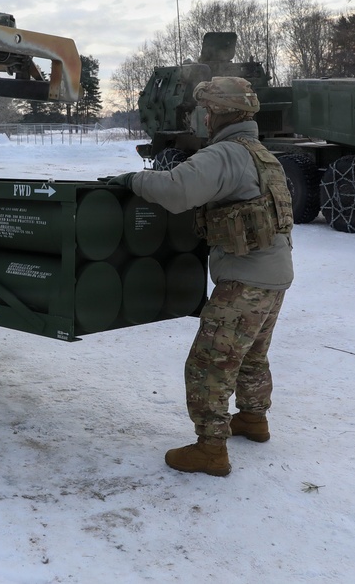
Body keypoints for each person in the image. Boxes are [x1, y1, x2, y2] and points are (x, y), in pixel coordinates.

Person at [104, 76, 294, 477]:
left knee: (208, 364)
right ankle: (253, 419)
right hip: (274, 278)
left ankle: (210, 449)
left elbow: (176, 191)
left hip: (245, 280)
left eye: (202, 112)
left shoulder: (225, 153)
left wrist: (131, 180)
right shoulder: (261, 153)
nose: (199, 120)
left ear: (216, 113)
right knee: (251, 356)